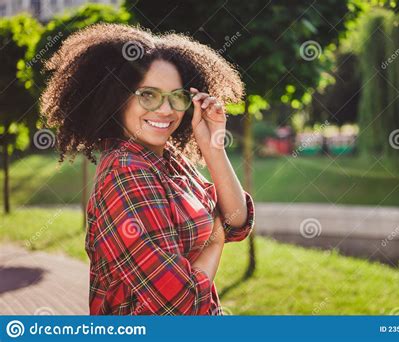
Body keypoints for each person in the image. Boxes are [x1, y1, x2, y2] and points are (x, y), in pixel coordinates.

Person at [39, 23, 255, 315]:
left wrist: (213, 146)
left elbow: (237, 222)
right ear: (119, 98)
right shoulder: (127, 173)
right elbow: (180, 305)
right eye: (148, 95)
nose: (166, 110)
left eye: (177, 97)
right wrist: (215, 241)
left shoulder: (167, 159)